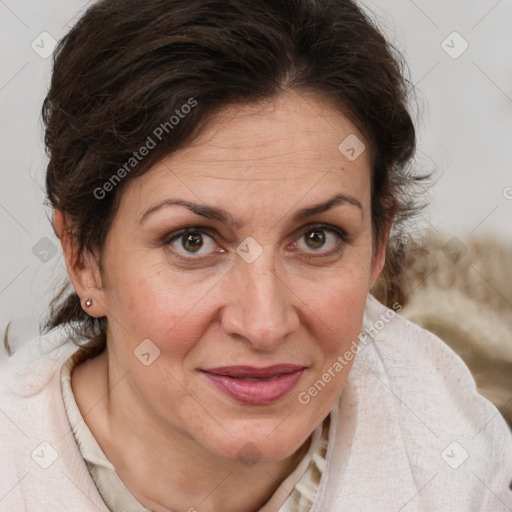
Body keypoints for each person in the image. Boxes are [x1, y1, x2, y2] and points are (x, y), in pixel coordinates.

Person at [1, 0, 511, 510]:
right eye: (193, 241)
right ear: (85, 259)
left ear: (378, 244)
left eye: (317, 238)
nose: (264, 324)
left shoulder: (458, 469)